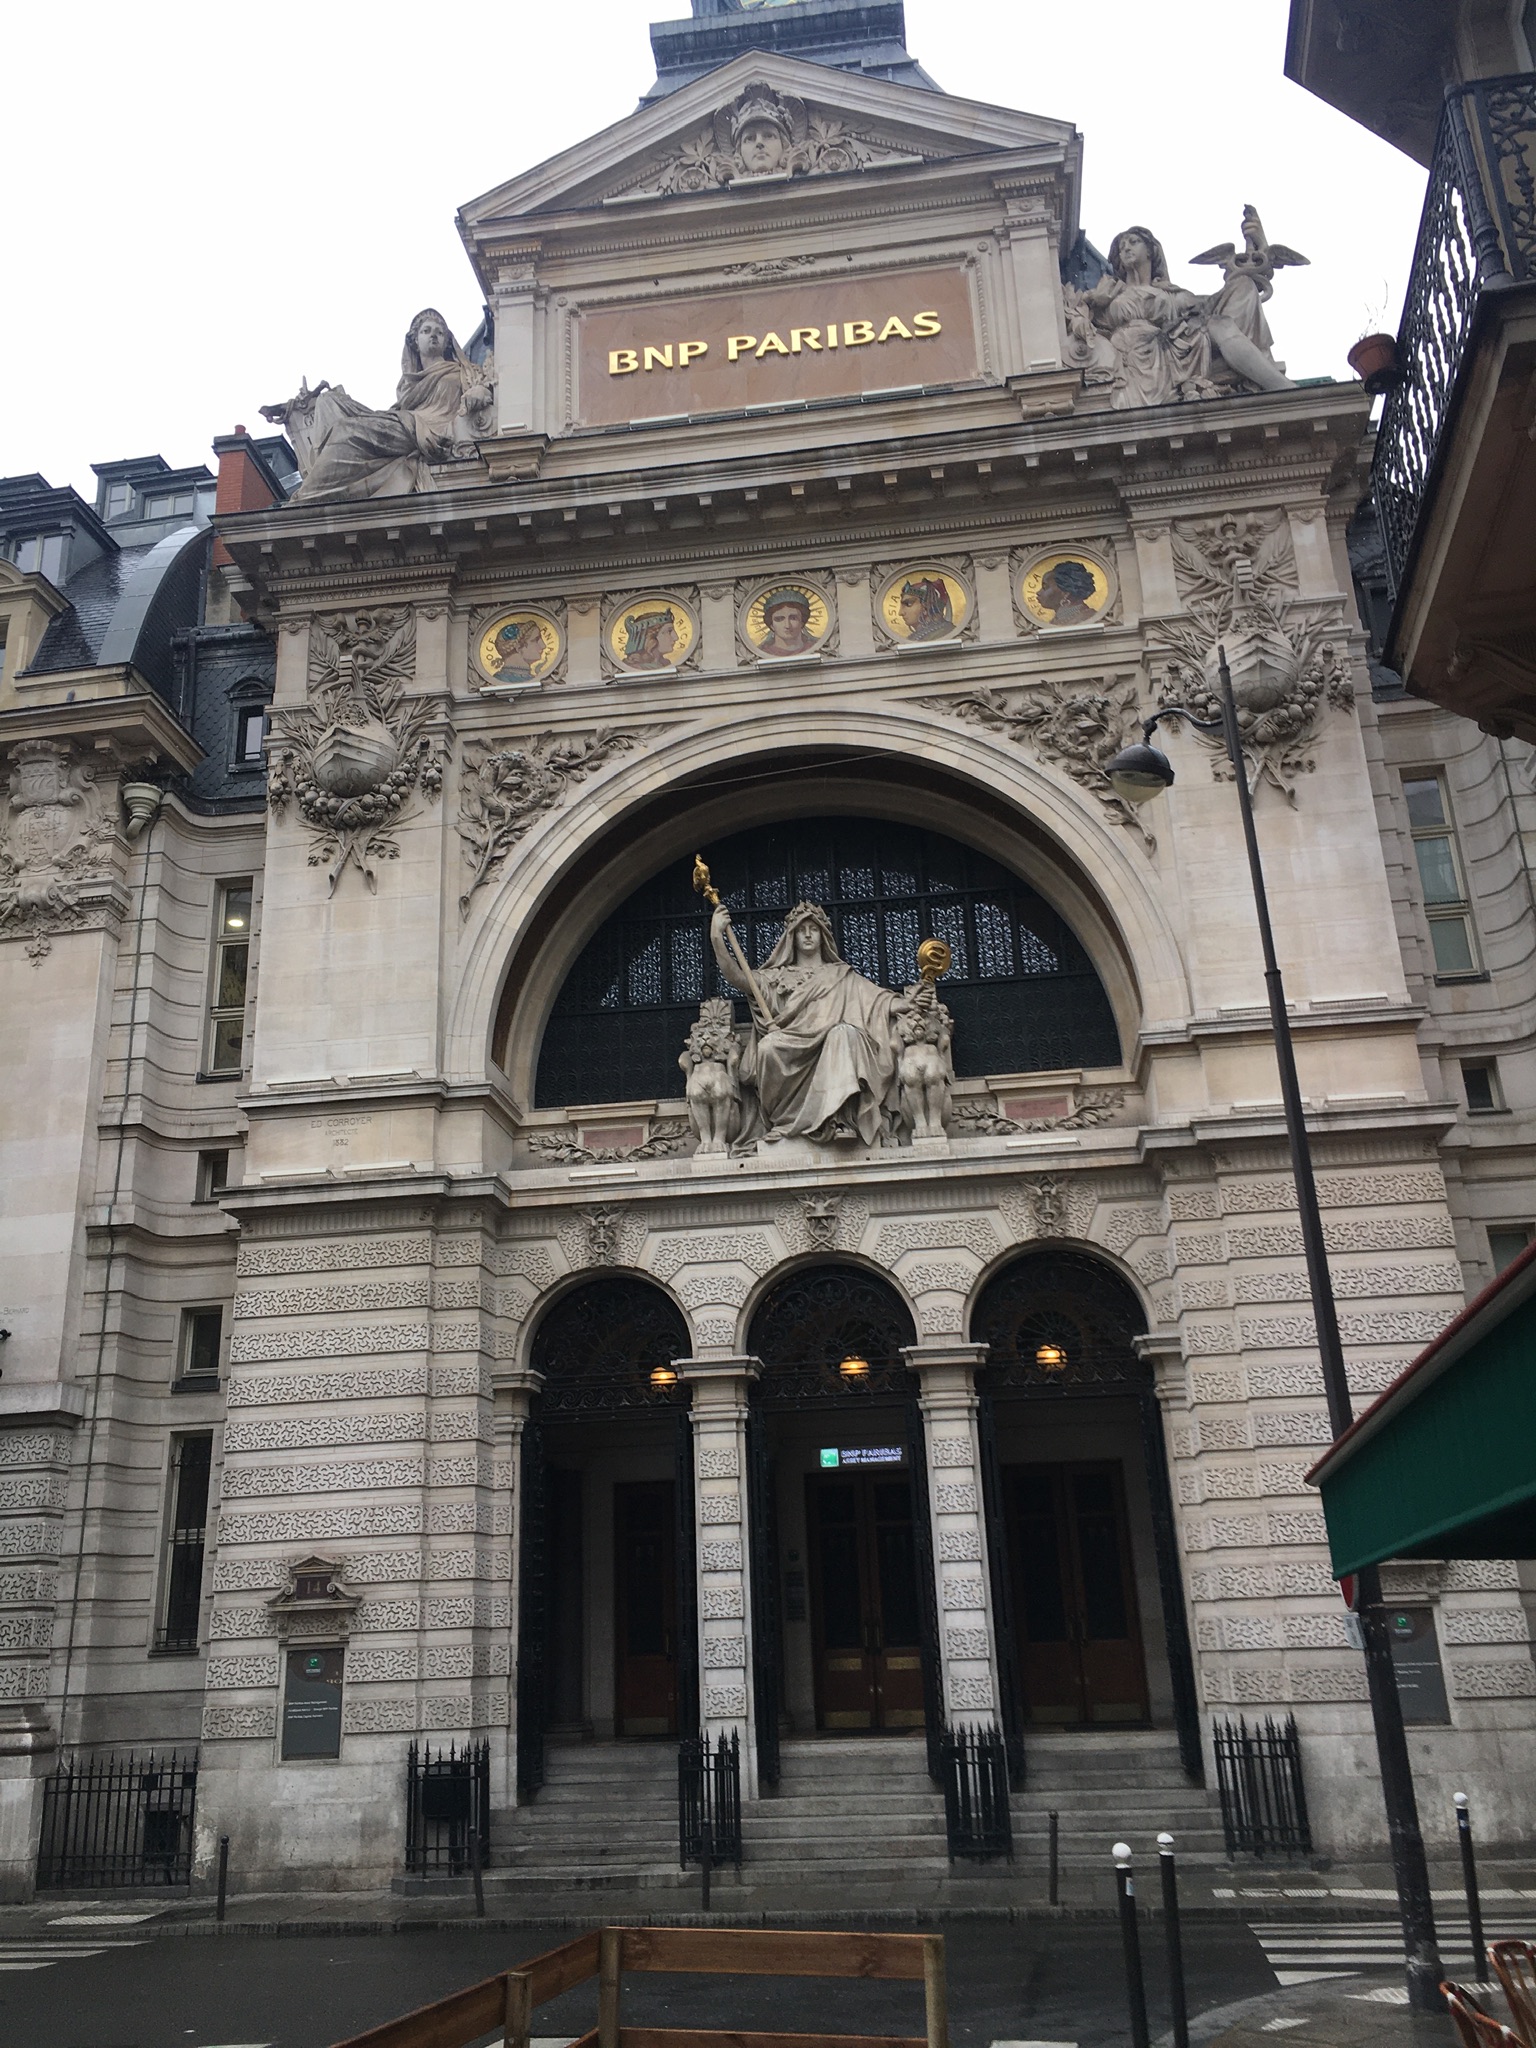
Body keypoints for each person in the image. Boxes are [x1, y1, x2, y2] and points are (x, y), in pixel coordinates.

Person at [709, 900, 929, 1147]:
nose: (807, 934)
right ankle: (786, 1122)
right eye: (801, 930)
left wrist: (911, 1003)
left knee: (844, 1033)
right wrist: (717, 937)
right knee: (768, 1047)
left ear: (823, 935)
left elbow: (878, 1001)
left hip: (833, 1042)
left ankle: (841, 1118)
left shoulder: (841, 975)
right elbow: (738, 977)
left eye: (813, 929)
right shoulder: (776, 977)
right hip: (789, 1043)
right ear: (791, 937)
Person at [261, 309, 493, 503]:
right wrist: (297, 408)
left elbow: (483, 386)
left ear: (446, 341)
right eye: (427, 331)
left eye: (439, 332)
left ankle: (311, 495)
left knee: (346, 431)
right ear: (414, 341)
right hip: (404, 422)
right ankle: (319, 485)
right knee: (328, 401)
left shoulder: (460, 370)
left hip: (428, 429)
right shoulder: (408, 384)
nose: (434, 335)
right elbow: (399, 410)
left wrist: (478, 392)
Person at [1034, 560, 1099, 626]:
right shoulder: (1058, 620)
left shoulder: (1086, 617)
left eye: (1045, 587)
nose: (1038, 592)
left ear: (1066, 593)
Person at [758, 590, 818, 657]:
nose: (787, 625)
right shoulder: (763, 652)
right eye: (779, 619)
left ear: (802, 622)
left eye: (793, 618)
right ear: (771, 625)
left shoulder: (816, 648)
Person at [897, 576, 956, 641]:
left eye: (908, 604)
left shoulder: (945, 632)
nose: (900, 613)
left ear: (926, 606)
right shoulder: (913, 638)